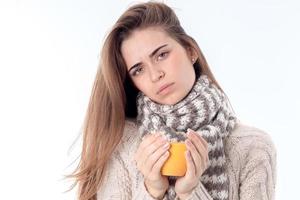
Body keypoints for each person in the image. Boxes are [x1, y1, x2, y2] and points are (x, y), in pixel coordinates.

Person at [67, 1, 276, 200]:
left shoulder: (254, 147)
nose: (155, 74)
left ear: (190, 51)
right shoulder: (120, 143)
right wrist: (152, 190)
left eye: (162, 55)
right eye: (138, 70)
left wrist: (191, 192)